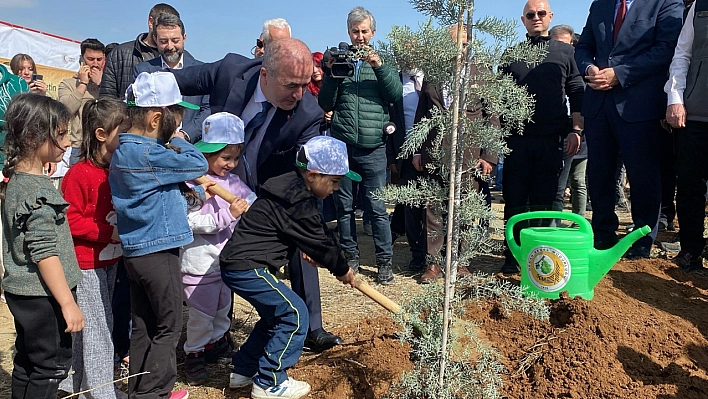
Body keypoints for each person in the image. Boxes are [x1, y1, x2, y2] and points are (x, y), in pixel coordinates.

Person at [171, 38, 345, 352]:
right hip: (216, 171)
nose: (299, 93)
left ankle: (311, 326)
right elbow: (173, 80)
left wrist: (310, 235)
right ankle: (206, 331)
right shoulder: (230, 70)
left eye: (305, 84)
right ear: (265, 75)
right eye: (291, 84)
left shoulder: (307, 113)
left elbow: (309, 178)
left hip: (268, 182)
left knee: (294, 234)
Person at [219, 135, 356, 399]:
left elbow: (295, 232)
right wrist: (343, 270)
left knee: (276, 316)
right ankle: (270, 381)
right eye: (335, 182)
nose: (336, 189)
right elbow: (323, 243)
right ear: (314, 175)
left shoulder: (289, 188)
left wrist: (305, 247)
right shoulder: (298, 201)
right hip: (248, 267)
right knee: (294, 314)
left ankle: (244, 369)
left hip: (240, 264)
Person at [108, 72, 208, 399]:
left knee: (144, 324)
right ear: (155, 119)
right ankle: (154, 393)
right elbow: (196, 165)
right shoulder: (149, 154)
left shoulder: (124, 151)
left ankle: (140, 388)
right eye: (175, 118)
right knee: (169, 324)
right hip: (159, 250)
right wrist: (179, 139)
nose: (179, 124)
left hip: (136, 253)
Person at [575, 0, 684, 258]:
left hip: (639, 105)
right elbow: (583, 46)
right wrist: (589, 68)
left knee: (643, 176)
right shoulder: (601, 4)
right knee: (600, 174)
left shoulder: (666, 3)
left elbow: (666, 49)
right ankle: (603, 235)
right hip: (598, 104)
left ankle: (642, 240)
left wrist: (620, 74)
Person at [1, 93, 84, 399]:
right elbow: (45, 253)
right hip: (44, 296)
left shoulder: (17, 181)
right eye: (60, 134)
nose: (67, 142)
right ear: (36, 137)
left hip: (22, 293)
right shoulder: (37, 193)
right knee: (51, 368)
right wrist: (67, 303)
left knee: (28, 362)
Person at [318, 6, 403, 284]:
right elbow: (325, 103)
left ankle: (385, 263)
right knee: (343, 208)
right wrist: (331, 74)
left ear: (373, 32)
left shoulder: (383, 62)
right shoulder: (339, 61)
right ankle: (350, 257)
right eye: (355, 31)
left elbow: (394, 95)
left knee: (377, 208)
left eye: (364, 31)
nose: (360, 37)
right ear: (348, 33)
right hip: (343, 147)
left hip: (374, 147)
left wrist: (378, 66)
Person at [500, 0, 584, 274]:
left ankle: (539, 258)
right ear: (523, 20)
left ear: (550, 17)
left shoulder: (565, 52)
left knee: (545, 201)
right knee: (514, 199)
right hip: (517, 140)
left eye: (540, 13)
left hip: (552, 139)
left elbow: (576, 92)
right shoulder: (510, 54)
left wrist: (576, 130)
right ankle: (513, 257)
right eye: (530, 14)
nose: (536, 18)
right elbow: (498, 99)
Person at [59, 98, 128, 399]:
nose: (128, 136)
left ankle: (73, 387)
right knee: (99, 330)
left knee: (93, 328)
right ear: (102, 134)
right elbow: (69, 219)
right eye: (122, 131)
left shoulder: (117, 169)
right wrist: (108, 233)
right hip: (86, 264)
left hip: (109, 262)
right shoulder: (80, 174)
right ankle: (102, 393)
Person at [180, 112, 255, 384]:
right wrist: (227, 216)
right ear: (208, 154)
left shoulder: (233, 182)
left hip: (224, 260)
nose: (231, 164)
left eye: (236, 158)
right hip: (199, 263)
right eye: (225, 157)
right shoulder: (193, 183)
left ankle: (215, 343)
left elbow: (251, 203)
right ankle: (194, 353)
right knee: (202, 313)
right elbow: (190, 221)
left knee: (223, 306)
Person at [664, 0, 708, 271]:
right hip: (696, 115)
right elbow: (682, 54)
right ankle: (691, 251)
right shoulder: (699, 6)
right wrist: (675, 98)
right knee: (690, 186)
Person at [134, 13, 210, 143]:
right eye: (164, 41)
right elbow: (139, 110)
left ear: (184, 38)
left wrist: (185, 134)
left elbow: (208, 108)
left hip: (191, 144)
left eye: (175, 40)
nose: (170, 46)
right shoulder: (144, 71)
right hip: (154, 143)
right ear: (155, 39)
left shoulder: (201, 70)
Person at [548, 25, 588, 223]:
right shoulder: (548, 68)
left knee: (578, 181)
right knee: (557, 186)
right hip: (557, 135)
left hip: (579, 135)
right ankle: (552, 227)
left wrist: (578, 130)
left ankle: (578, 220)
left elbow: (580, 97)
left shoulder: (582, 67)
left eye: (567, 45)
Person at [99, 3, 180, 99]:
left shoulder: (184, 58)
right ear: (151, 22)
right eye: (165, 25)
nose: (167, 31)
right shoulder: (119, 54)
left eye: (172, 27)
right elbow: (106, 100)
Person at [58, 38, 106, 166]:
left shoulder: (109, 84)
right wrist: (83, 83)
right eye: (90, 59)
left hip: (104, 146)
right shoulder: (68, 84)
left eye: (99, 59)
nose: (95, 64)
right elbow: (65, 110)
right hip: (79, 147)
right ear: (81, 59)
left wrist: (103, 85)